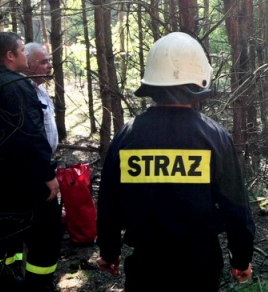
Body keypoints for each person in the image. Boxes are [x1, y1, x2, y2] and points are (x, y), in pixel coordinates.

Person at [96, 32, 254, 290]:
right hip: (199, 266)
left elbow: (109, 203)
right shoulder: (214, 137)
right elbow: (235, 205)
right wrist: (241, 257)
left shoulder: (127, 136)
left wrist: (109, 251)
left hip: (146, 267)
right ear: (198, 79)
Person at [0, 31, 61, 292]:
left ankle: (5, 284)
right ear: (10, 55)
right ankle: (39, 285)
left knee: (3, 240)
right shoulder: (16, 86)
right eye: (21, 50)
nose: (25, 56)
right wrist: (48, 175)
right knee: (44, 238)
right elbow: (31, 136)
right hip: (26, 184)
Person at [25, 43, 58, 153]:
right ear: (27, 64)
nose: (50, 66)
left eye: (49, 60)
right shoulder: (25, 92)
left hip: (45, 159)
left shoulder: (41, 90)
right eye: (44, 62)